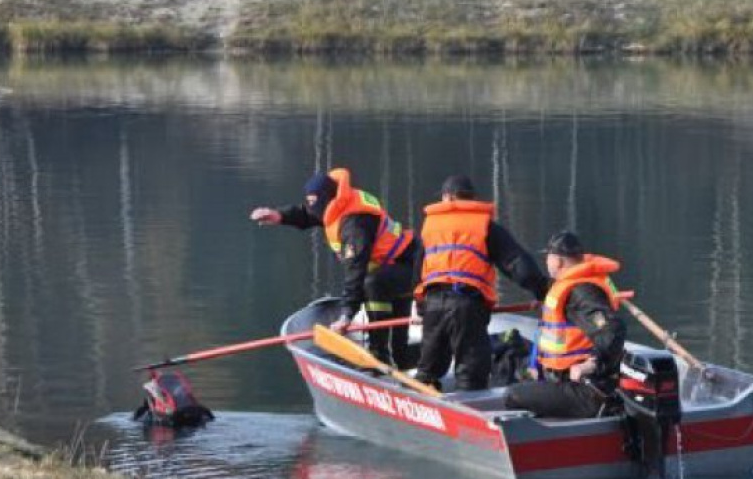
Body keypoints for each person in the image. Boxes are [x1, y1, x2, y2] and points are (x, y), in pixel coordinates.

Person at [250, 168, 417, 369]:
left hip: (408, 267)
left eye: (313, 202)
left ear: (326, 200)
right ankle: (395, 356)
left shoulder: (354, 225)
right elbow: (309, 214)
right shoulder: (337, 203)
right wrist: (279, 216)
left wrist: (347, 314)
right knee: (376, 289)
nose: (310, 206)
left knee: (371, 284)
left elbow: (356, 271)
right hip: (390, 270)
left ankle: (379, 355)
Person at [414, 175, 549, 391]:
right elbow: (517, 265)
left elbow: (419, 271)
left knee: (428, 368)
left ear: (447, 197)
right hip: (467, 305)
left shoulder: (430, 227)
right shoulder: (486, 227)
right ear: (472, 198)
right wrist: (543, 290)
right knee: (471, 371)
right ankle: (468, 413)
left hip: (434, 303)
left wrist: (421, 307)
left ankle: (419, 407)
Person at [504, 231, 627, 418]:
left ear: (558, 261)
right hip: (561, 377)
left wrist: (591, 364)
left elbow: (612, 329)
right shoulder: (566, 285)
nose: (546, 261)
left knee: (512, 396)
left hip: (586, 390)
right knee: (510, 357)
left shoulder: (582, 291)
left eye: (548, 257)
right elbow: (539, 285)